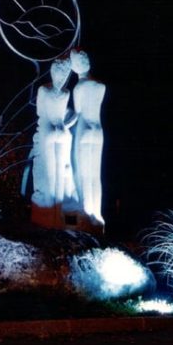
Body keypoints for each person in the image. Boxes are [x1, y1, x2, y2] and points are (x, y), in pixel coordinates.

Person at [31, 58, 75, 211]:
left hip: (48, 129)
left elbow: (40, 112)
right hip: (62, 130)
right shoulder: (66, 92)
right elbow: (63, 115)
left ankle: (49, 208)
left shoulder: (43, 90)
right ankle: (60, 205)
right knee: (62, 168)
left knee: (48, 171)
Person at [70, 49, 105, 225]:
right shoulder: (100, 85)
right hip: (97, 130)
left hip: (83, 129)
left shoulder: (79, 87)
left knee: (83, 173)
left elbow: (77, 113)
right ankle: (97, 214)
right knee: (95, 176)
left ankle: (86, 212)